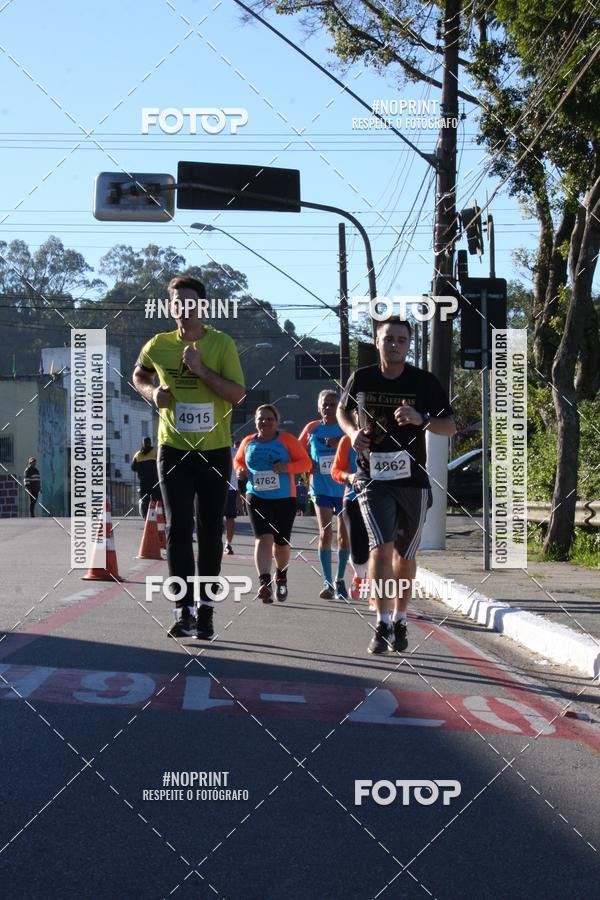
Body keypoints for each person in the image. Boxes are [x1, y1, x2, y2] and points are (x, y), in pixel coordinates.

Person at [132, 275, 245, 639]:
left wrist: (201, 370)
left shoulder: (221, 344)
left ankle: (207, 610)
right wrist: (152, 394)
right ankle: (184, 610)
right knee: (179, 529)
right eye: (177, 301)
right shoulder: (158, 345)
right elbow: (139, 374)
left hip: (213, 450)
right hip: (174, 449)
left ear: (203, 306)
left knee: (210, 530)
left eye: (191, 301)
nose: (185, 307)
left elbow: (237, 394)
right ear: (170, 307)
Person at [337, 317, 455, 654]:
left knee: (405, 554)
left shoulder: (424, 382)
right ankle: (382, 621)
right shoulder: (362, 378)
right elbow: (344, 413)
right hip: (372, 477)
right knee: (380, 548)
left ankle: (401, 618)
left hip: (412, 480)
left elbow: (450, 426)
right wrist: (351, 432)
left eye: (401, 340)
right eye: (389, 339)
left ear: (409, 345)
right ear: (377, 342)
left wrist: (423, 419)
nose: (395, 345)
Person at [235, 404, 311, 603]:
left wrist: (287, 467)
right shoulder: (248, 442)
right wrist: (240, 471)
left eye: (270, 419)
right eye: (261, 418)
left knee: (281, 543)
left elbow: (306, 463)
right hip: (257, 496)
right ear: (255, 421)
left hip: (285, 498)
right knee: (263, 538)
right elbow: (239, 461)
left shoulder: (287, 441)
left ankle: (281, 577)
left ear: (277, 422)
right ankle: (264, 583)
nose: (265, 422)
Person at [299, 390, 350, 600]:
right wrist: (308, 465)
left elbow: (358, 450)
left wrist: (339, 444)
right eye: (325, 404)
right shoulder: (312, 428)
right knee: (326, 533)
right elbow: (296, 450)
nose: (328, 407)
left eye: (332, 404)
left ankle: (340, 579)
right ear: (318, 407)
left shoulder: (346, 426)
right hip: (321, 489)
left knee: (344, 536)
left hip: (344, 489)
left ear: (339, 407)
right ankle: (327, 582)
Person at [331, 422, 370, 604]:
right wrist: (349, 477)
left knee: (381, 547)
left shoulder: (387, 437)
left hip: (382, 498)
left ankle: (375, 593)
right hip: (353, 498)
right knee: (358, 550)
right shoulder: (347, 440)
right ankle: (359, 574)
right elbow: (336, 471)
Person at [131, 436, 161, 519]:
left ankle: (146, 517)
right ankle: (158, 516)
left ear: (142, 443)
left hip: (143, 481)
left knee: (145, 500)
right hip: (155, 480)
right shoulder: (155, 452)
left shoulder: (138, 454)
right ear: (150, 443)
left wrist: (141, 469)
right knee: (157, 499)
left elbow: (133, 468)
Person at [224, 442, 240, 554]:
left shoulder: (235, 452)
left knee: (230, 517)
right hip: (214, 489)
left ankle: (228, 544)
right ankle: (224, 544)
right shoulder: (209, 451)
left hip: (230, 488)